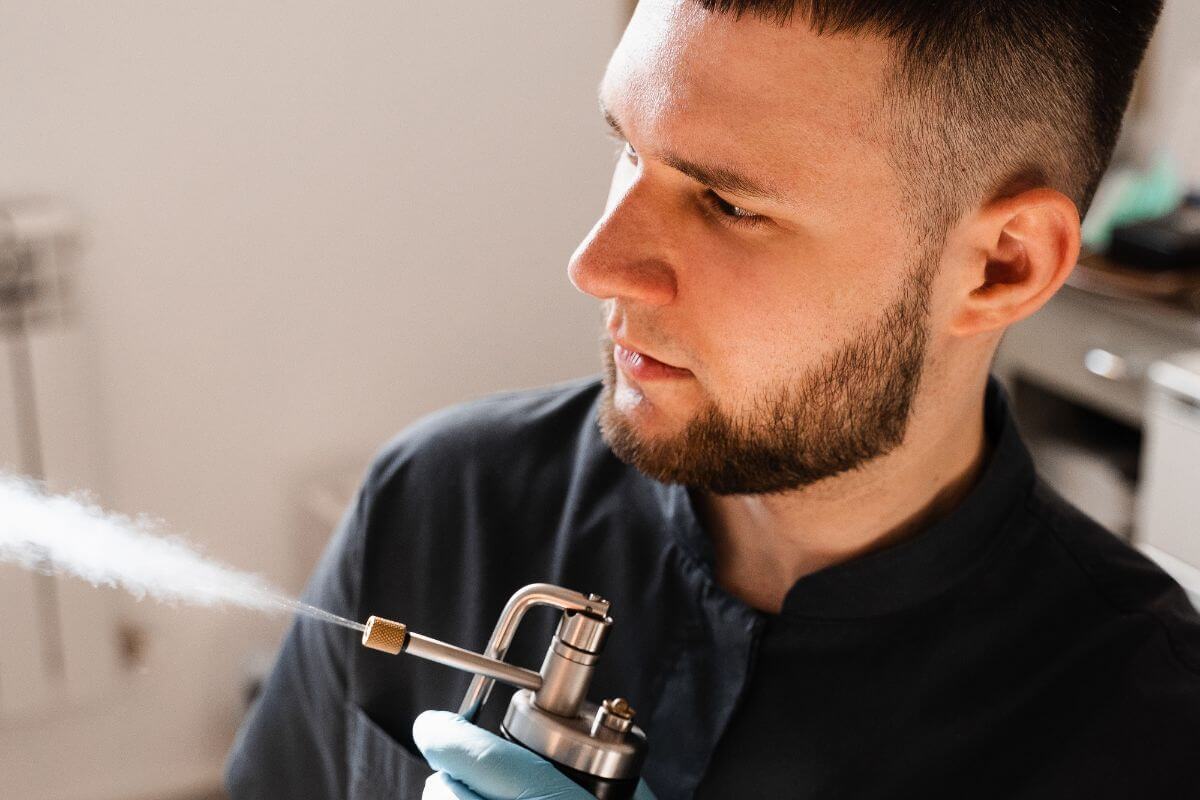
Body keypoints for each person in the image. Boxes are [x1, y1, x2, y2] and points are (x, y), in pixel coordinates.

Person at [225, 1, 1200, 798]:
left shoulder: (1152, 731)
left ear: (1001, 264)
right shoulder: (441, 500)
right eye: (628, 147)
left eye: (728, 202)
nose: (597, 264)